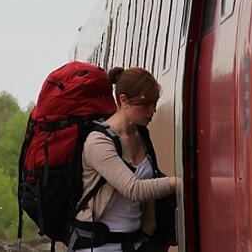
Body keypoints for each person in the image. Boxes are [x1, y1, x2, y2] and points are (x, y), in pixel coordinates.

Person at [71, 67, 177, 252]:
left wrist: (150, 235)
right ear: (123, 100)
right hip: (98, 246)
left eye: (155, 103)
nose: (153, 109)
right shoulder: (98, 141)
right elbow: (133, 189)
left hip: (132, 243)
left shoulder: (141, 135)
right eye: (145, 104)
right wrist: (180, 183)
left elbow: (149, 188)